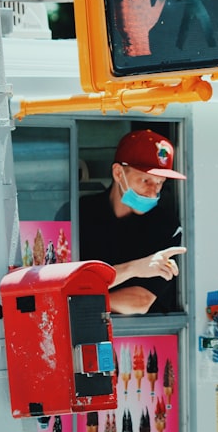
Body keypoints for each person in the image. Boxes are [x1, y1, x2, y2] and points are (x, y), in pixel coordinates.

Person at [76, 129, 186, 315]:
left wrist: (82, 303)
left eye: (160, 182)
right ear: (118, 173)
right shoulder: (80, 214)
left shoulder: (166, 226)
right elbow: (66, 283)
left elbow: (140, 301)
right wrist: (136, 268)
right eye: (145, 180)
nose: (153, 192)